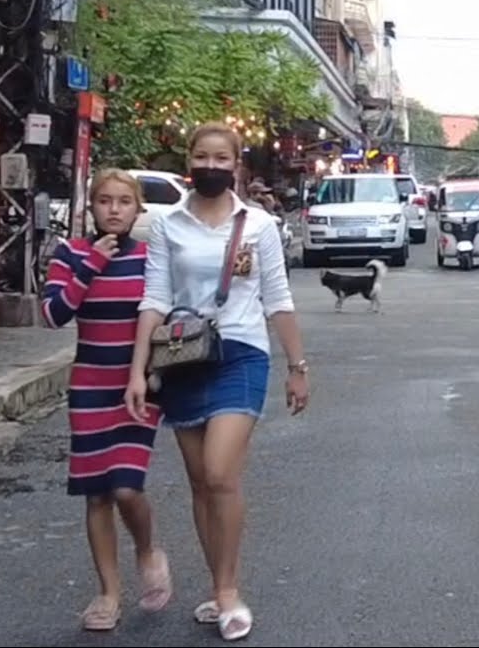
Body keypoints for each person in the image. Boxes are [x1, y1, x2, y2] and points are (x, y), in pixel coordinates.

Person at [125, 121, 310, 642]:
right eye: (201, 157)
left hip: (241, 354)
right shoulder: (169, 224)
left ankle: (229, 592)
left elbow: (278, 298)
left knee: (219, 471)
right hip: (182, 359)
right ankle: (217, 584)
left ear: (236, 165)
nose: (210, 166)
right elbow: (154, 298)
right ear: (190, 159)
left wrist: (298, 368)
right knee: (200, 484)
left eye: (221, 159)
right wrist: (138, 370)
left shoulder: (260, 226)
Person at [40, 168, 171, 632]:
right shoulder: (70, 253)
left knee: (126, 487)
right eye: (104, 201)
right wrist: (91, 264)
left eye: (124, 201)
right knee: (96, 494)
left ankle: (147, 548)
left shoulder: (153, 257)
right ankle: (109, 594)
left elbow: (170, 312)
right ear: (91, 206)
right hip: (90, 387)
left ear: (139, 210)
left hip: (140, 386)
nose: (114, 209)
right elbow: (54, 314)